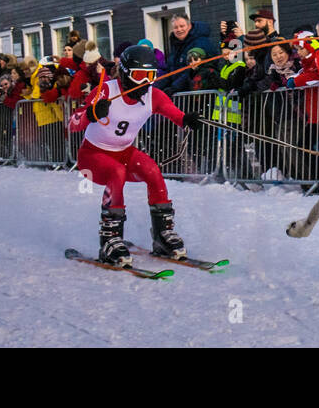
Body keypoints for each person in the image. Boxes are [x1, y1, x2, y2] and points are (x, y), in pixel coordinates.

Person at [68, 44, 204, 265]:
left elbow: (175, 114)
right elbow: (73, 122)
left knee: (152, 170)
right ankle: (110, 239)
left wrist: (187, 119)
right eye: (140, 75)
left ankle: (162, 235)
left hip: (124, 152)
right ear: (125, 74)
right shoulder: (106, 91)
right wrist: (91, 113)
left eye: (150, 75)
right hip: (91, 157)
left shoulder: (153, 96)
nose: (145, 82)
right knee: (116, 172)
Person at [163, 15, 216, 92]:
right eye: (175, 27)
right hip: (181, 94)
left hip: (197, 93)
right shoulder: (176, 46)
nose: (179, 29)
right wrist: (154, 88)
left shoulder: (200, 43)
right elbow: (169, 72)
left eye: (182, 26)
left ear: (189, 26)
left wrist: (174, 88)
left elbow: (192, 70)